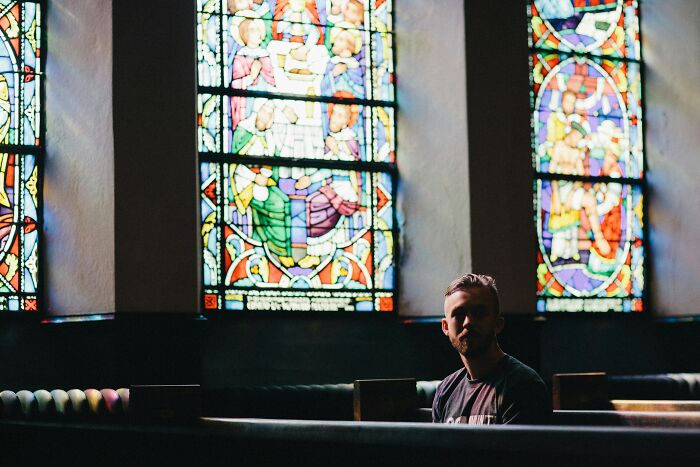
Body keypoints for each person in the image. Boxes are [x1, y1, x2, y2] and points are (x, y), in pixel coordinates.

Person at [433, 274, 551, 424]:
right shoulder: (445, 390)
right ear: (445, 327)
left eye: (479, 314)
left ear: (498, 324)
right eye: (459, 314)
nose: (468, 322)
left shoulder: (524, 386)